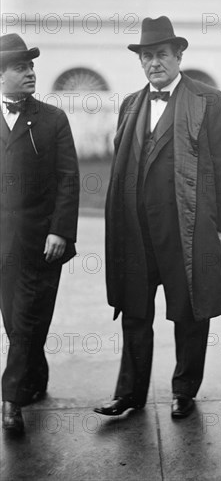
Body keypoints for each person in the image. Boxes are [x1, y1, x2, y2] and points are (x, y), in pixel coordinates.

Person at [94, 16, 221, 419]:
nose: (153, 63)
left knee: (190, 311)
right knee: (135, 311)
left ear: (179, 55)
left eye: (161, 54)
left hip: (188, 228)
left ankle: (184, 390)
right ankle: (129, 393)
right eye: (146, 56)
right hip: (136, 231)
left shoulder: (208, 100)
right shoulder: (130, 104)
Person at [0, 34, 80, 434]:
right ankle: (35, 375)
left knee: (27, 318)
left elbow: (68, 179)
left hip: (41, 242)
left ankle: (10, 400)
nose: (31, 72)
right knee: (16, 323)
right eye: (20, 67)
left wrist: (60, 231)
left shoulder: (52, 119)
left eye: (31, 65)